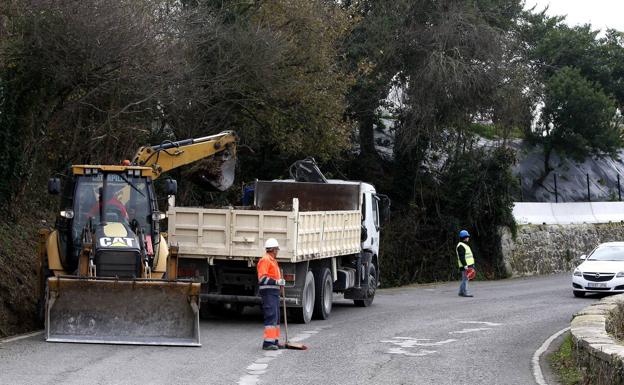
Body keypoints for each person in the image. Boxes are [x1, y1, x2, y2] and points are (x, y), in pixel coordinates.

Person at [257, 238, 285, 350]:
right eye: (277, 249)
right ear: (273, 249)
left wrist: (280, 284)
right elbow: (262, 279)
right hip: (268, 292)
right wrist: (277, 282)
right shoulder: (265, 260)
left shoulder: (272, 260)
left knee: (276, 317)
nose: (277, 251)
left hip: (274, 291)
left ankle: (274, 341)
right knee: (271, 315)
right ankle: (268, 343)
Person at [456, 229, 475, 297]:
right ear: (464, 237)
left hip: (468, 265)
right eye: (467, 237)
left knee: (465, 279)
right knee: (466, 279)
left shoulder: (464, 245)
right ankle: (465, 293)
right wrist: (465, 265)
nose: (468, 238)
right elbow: (462, 257)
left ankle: (461, 292)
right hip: (465, 266)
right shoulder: (461, 246)